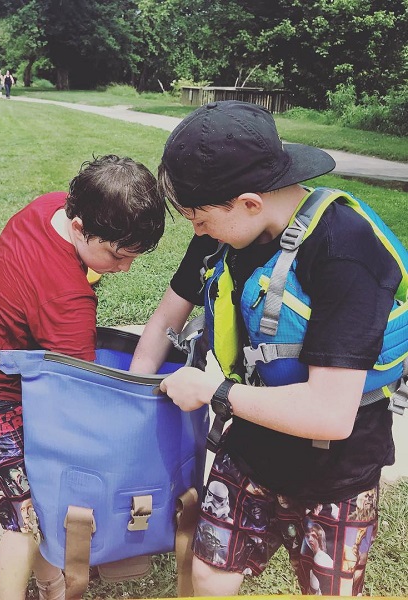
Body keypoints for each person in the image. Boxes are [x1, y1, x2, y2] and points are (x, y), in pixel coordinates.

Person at [130, 100, 404, 596]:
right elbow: (165, 320)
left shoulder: (346, 252)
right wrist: (133, 399)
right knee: (209, 570)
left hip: (337, 467)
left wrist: (215, 392)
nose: (196, 230)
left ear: (250, 202)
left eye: (199, 218)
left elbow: (330, 414)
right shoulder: (223, 235)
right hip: (251, 444)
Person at [0, 155, 165, 600]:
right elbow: (78, 396)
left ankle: (52, 585)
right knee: (27, 515)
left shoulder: (48, 207)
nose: (124, 269)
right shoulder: (68, 300)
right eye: (117, 255)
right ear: (79, 227)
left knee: (42, 495)